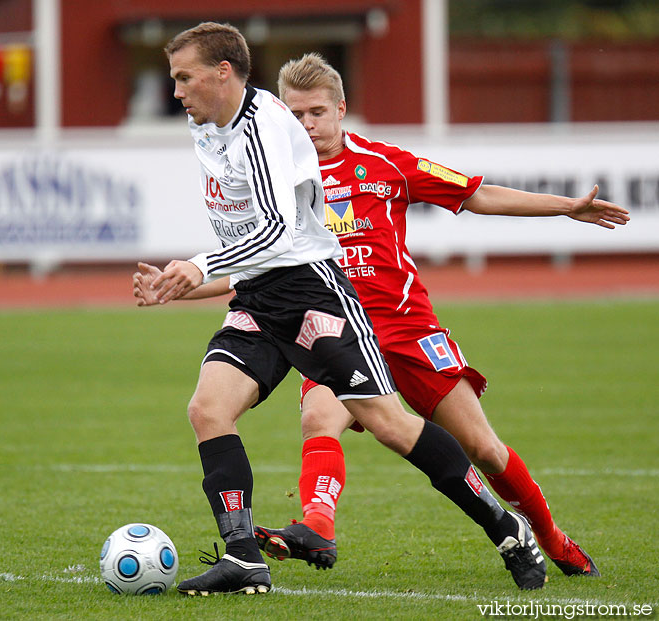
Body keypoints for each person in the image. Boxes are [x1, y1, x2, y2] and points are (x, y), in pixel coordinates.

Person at [141, 22, 548, 596]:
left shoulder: (267, 130)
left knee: (390, 425)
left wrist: (201, 264)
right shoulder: (205, 123)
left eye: (185, 78)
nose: (176, 91)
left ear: (223, 73)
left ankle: (508, 530)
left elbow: (282, 233)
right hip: (258, 298)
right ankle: (243, 559)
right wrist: (179, 280)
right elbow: (248, 226)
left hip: (313, 293)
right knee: (208, 409)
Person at [249, 53, 630, 580]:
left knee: (483, 448)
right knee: (318, 418)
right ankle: (317, 525)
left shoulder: (385, 163)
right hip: (334, 327)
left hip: (409, 327)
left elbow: (479, 194)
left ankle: (549, 536)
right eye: (295, 116)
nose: (307, 125)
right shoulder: (278, 180)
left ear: (341, 108)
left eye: (316, 112)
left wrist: (564, 207)